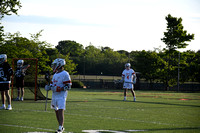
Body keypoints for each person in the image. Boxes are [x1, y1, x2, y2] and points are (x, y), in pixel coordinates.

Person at [45, 58, 72, 133]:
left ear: (59, 65)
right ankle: (61, 126)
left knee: (60, 110)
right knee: (56, 110)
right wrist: (48, 87)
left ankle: (60, 127)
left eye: (55, 65)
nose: (53, 66)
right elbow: (52, 84)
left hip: (61, 96)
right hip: (54, 95)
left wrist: (60, 88)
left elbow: (69, 86)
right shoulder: (55, 75)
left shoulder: (65, 74)